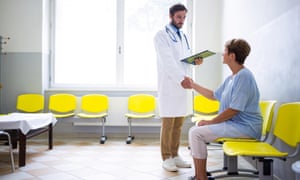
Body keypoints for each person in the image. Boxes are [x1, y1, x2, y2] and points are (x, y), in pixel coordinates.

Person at [185, 38, 262, 180]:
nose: (222, 55)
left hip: (246, 127)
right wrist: (193, 85)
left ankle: (201, 177)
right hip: (235, 124)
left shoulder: (244, 76)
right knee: (195, 129)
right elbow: (214, 95)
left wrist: (210, 122)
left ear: (232, 56)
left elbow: (234, 110)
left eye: (225, 52)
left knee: (196, 134)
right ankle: (199, 175)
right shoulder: (232, 78)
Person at [153, 3, 202, 172]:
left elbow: (184, 59)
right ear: (171, 16)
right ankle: (166, 157)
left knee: (179, 123)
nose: (181, 21)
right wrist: (181, 79)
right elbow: (168, 62)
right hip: (169, 84)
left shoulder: (184, 36)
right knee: (168, 122)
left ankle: (175, 154)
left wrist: (194, 61)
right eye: (178, 17)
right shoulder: (161, 36)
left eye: (184, 17)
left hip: (182, 85)